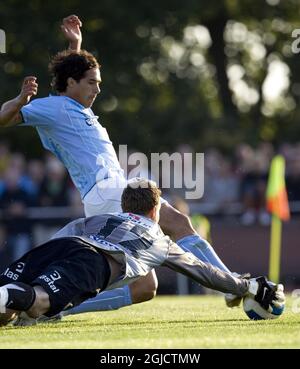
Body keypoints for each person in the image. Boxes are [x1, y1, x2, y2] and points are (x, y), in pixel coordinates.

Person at [0, 15, 240, 314]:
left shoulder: (72, 105)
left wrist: (75, 44)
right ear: (72, 83)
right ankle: (232, 285)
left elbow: (70, 74)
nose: (97, 90)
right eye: (92, 83)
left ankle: (53, 308)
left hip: (106, 196)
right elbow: (3, 117)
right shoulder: (51, 107)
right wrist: (21, 99)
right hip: (109, 190)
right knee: (178, 223)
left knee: (143, 289)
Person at [0, 179, 285, 326]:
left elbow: (64, 237)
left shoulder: (99, 220)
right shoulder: (160, 241)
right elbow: (203, 271)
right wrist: (246, 285)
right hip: (94, 261)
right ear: (156, 209)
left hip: (60, 247)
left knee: (9, 313)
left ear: (124, 208)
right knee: (38, 305)